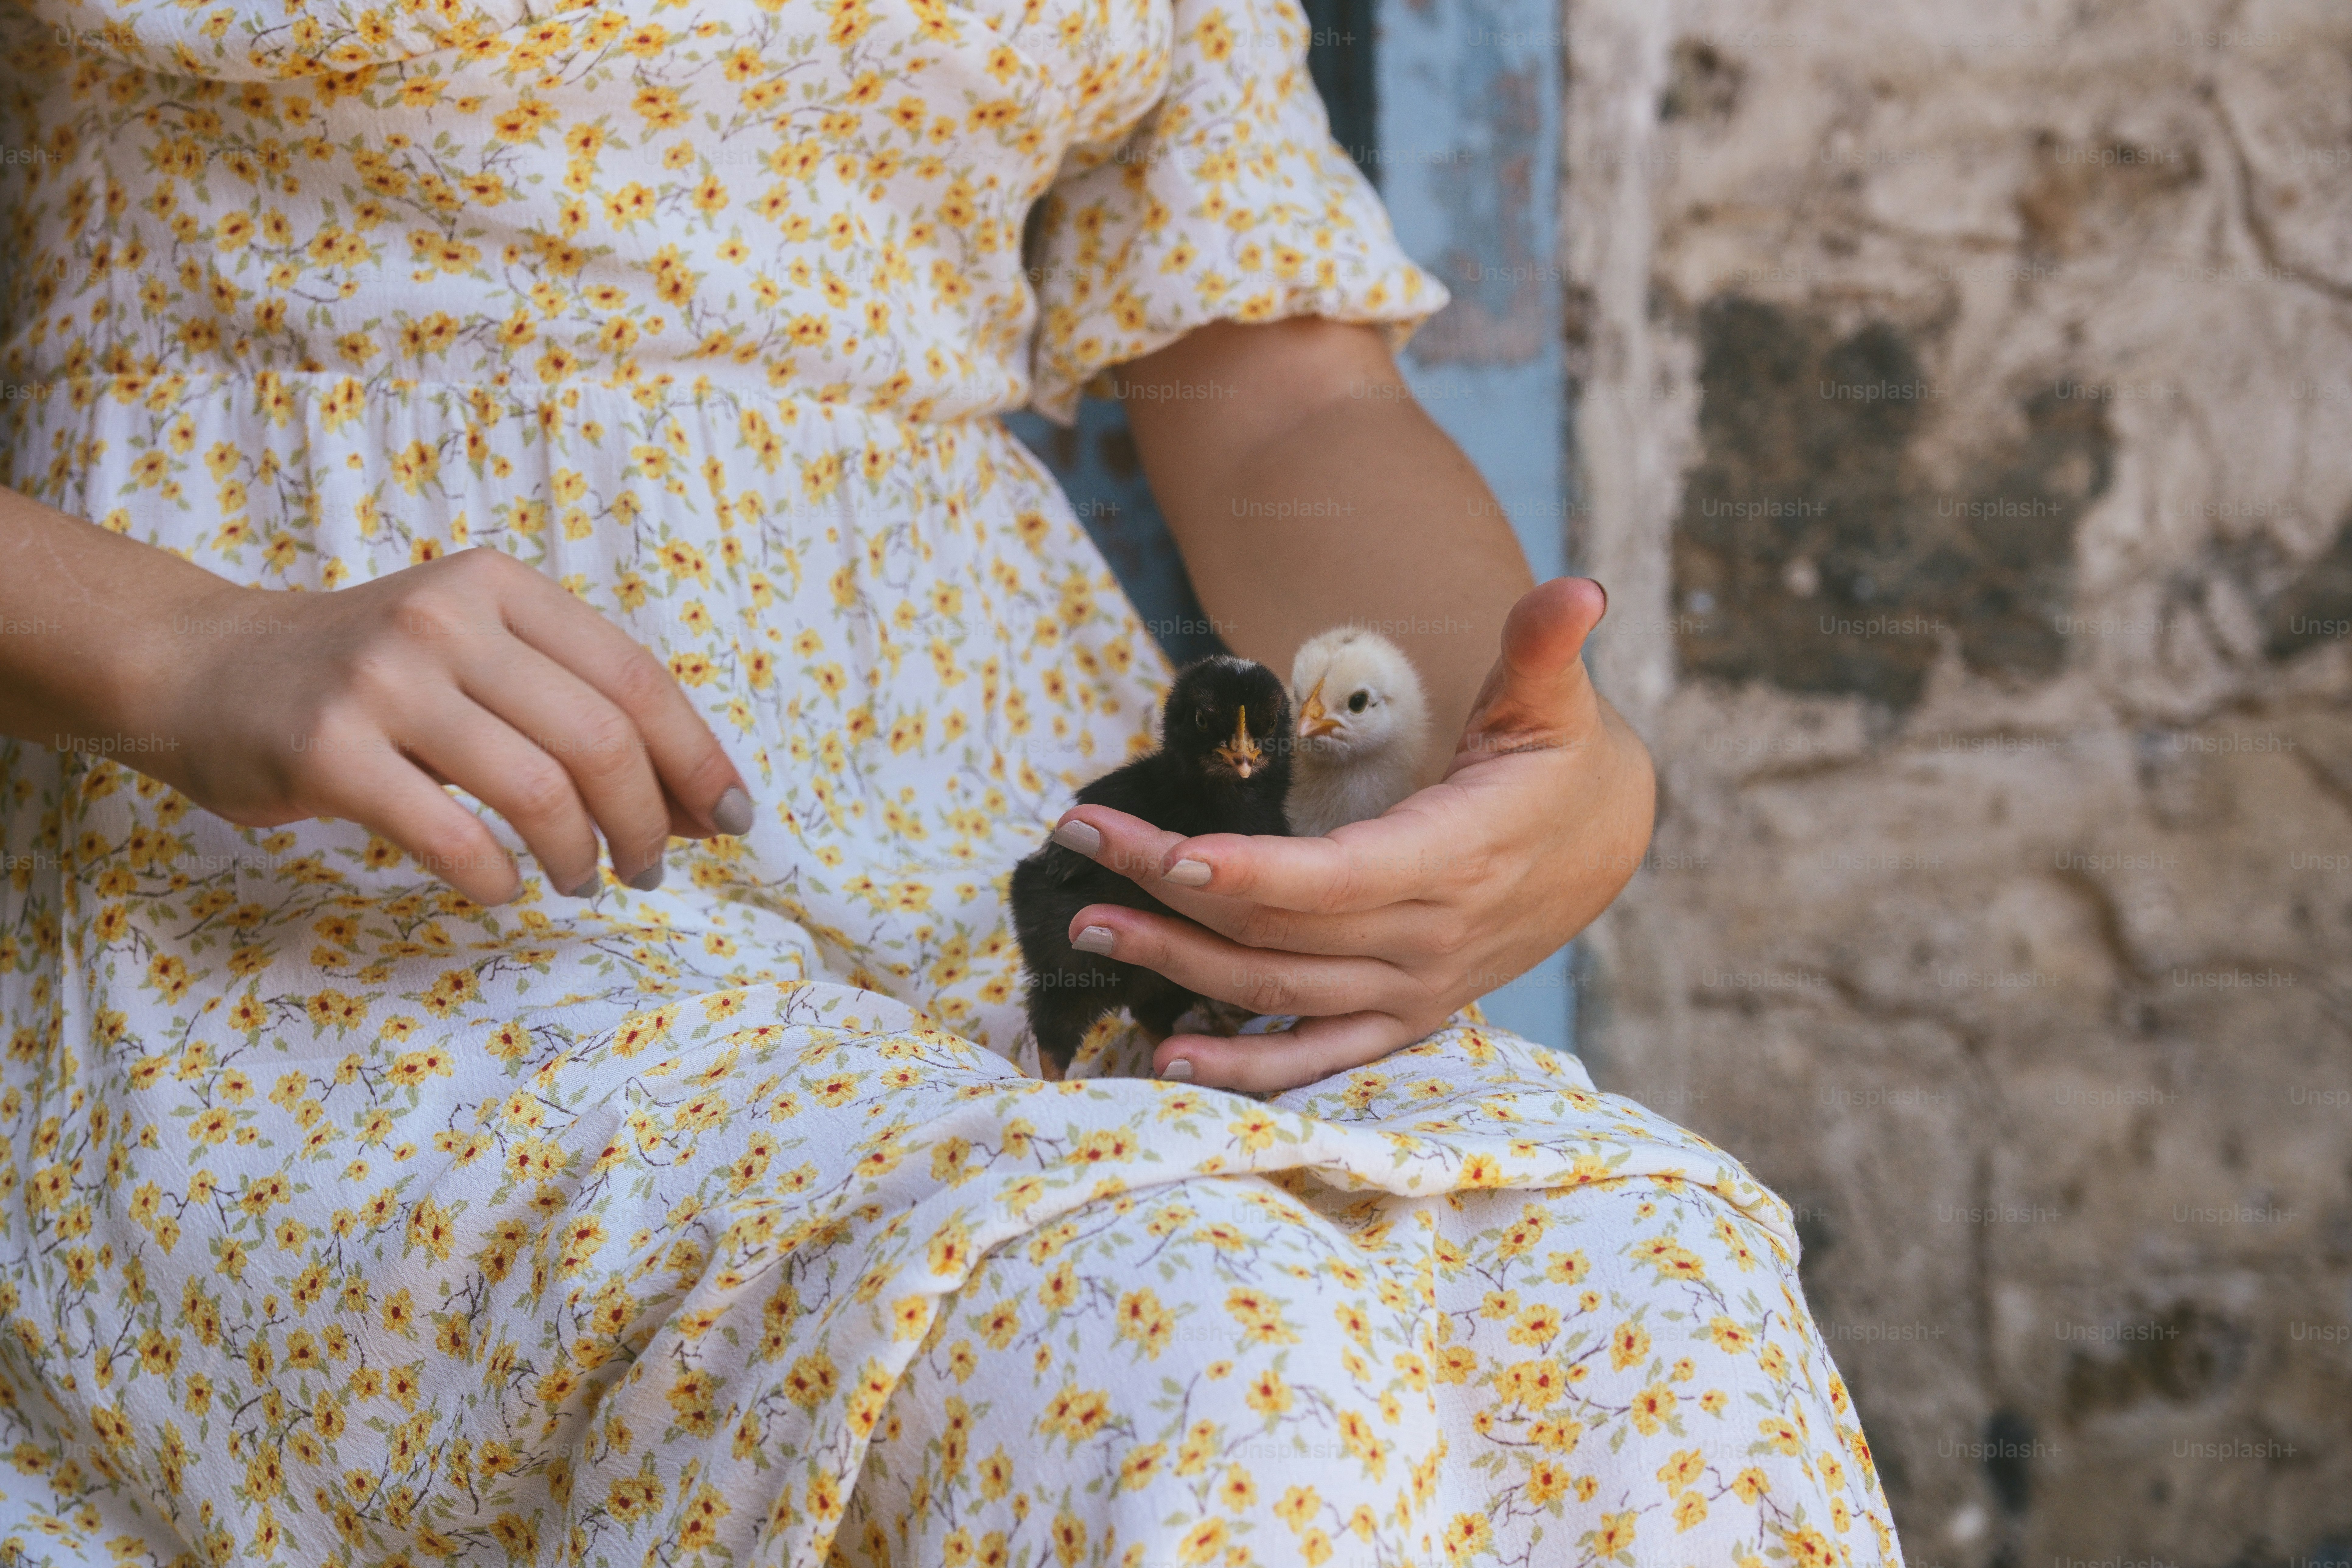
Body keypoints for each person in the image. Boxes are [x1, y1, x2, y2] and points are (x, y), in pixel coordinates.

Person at [0, 0, 1904, 1561]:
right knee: (1184, 1341)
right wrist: (178, 643)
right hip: (353, 889)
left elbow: (1283, 387)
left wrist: (1525, 759)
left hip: (1039, 860)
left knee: (1646, 1305)